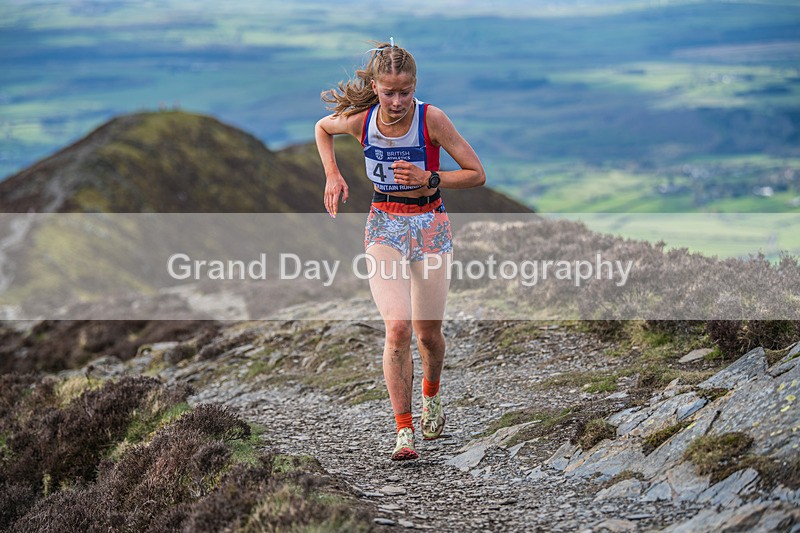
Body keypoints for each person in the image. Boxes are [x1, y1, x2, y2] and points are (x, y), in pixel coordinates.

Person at [314, 39, 485, 460]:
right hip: (384, 225)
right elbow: (322, 128)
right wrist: (332, 175)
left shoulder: (432, 119)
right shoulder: (360, 121)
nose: (396, 101)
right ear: (374, 86)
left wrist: (429, 177)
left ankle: (432, 395)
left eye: (404, 92)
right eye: (388, 92)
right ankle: (403, 431)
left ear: (415, 86)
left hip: (431, 225)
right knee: (398, 328)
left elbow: (477, 174)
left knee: (428, 334)